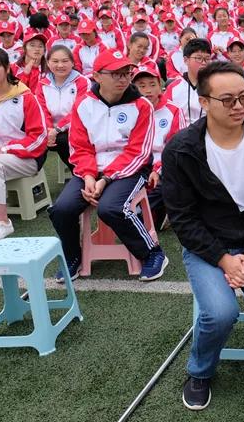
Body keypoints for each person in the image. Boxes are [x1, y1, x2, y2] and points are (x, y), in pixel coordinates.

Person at [162, 61, 244, 411]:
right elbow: (183, 218)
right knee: (219, 313)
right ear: (203, 101)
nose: (238, 106)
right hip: (208, 246)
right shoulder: (181, 150)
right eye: (227, 99)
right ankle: (200, 371)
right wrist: (223, 259)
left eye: (243, 97)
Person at [48, 49, 168, 283]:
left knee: (111, 208)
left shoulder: (142, 106)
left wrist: (106, 179)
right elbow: (79, 147)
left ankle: (153, 253)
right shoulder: (84, 104)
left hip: (131, 170)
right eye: (115, 74)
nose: (123, 79)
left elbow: (138, 152)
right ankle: (73, 257)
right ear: (97, 76)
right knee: (61, 209)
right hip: (92, 171)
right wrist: (89, 176)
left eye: (126, 73)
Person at [0, 47, 48, 245]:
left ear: (7, 68)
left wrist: (5, 149)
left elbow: (39, 137)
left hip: (26, 157)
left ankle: (3, 221)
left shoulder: (25, 97)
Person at [131, 62, 185, 233]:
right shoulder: (128, 110)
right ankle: (148, 211)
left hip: (164, 164)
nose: (148, 90)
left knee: (164, 182)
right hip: (137, 165)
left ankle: (143, 213)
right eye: (141, 86)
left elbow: (175, 148)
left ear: (161, 86)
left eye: (152, 85)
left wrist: (158, 169)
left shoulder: (173, 110)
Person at [36, 45, 90, 172]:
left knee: (63, 140)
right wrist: (49, 130)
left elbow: (79, 111)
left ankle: (80, 173)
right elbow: (42, 110)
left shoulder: (82, 82)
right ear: (48, 63)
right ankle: (32, 177)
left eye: (65, 61)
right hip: (49, 130)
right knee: (34, 140)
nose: (60, 65)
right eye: (55, 61)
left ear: (72, 62)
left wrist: (57, 129)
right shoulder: (42, 84)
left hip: (76, 128)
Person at [165, 38, 212, 124]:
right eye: (199, 58)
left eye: (207, 58)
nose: (204, 63)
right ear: (186, 60)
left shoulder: (216, 85)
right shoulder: (174, 87)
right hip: (180, 134)